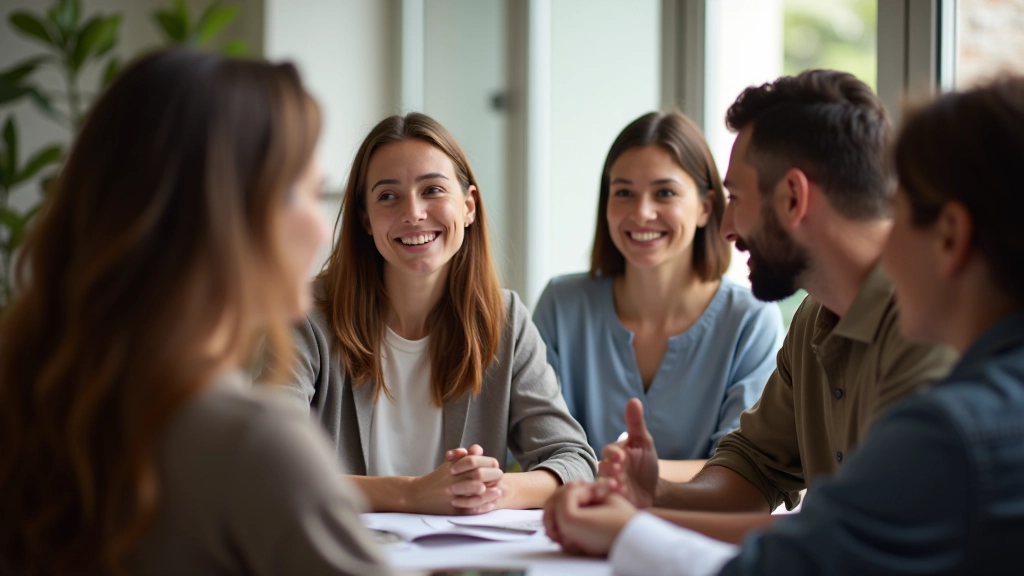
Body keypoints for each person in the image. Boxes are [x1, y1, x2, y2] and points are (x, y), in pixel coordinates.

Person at [542, 73, 1024, 576]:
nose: (726, 230)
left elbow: (832, 543)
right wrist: (655, 493)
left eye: (899, 213)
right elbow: (757, 466)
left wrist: (632, 531)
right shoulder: (815, 318)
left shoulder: (947, 390)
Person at [0, 50, 391, 576]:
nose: (324, 231)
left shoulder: (33, 397)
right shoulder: (252, 444)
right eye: (304, 193)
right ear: (223, 217)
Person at [258, 112, 597, 515]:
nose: (414, 213)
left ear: (469, 206)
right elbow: (264, 463)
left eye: (433, 190)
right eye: (388, 196)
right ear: (365, 219)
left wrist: (490, 489)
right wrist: (411, 494)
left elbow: (575, 462)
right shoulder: (306, 313)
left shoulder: (505, 320)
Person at [533, 111, 783, 482]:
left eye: (664, 193)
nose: (642, 212)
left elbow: (743, 469)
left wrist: (625, 473)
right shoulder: (561, 304)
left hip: (697, 531)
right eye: (624, 193)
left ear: (705, 207)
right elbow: (534, 447)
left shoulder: (751, 320)